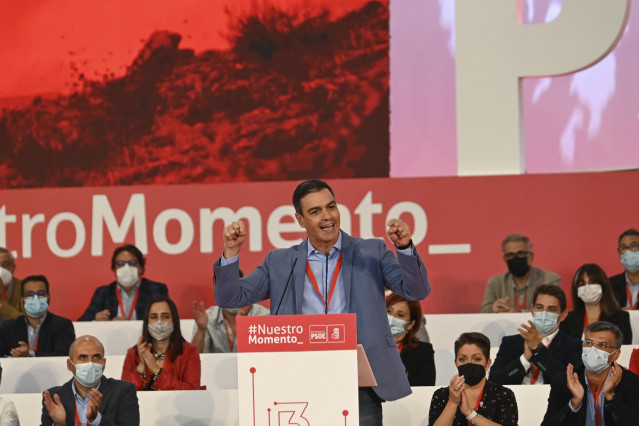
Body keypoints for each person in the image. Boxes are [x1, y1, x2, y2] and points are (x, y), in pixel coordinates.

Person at [214, 179, 431, 425]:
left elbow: (416, 290)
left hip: (358, 382)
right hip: (299, 379)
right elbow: (230, 297)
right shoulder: (280, 262)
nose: (327, 217)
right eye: (315, 211)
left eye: (331, 207)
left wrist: (404, 248)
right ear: (300, 220)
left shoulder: (371, 252)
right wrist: (231, 252)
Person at [541, 321, 639, 425]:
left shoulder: (632, 383)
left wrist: (611, 397)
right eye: (588, 343)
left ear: (615, 355)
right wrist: (574, 403)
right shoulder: (564, 381)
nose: (593, 349)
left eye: (602, 345)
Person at [489, 284, 582, 385]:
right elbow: (494, 381)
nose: (544, 314)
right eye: (539, 307)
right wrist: (524, 360)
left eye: (551, 309)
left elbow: (567, 382)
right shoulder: (510, 343)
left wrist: (537, 349)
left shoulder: (573, 346)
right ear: (533, 310)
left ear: (563, 315)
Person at [41, 335, 140, 425]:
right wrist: (59, 424)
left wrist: (96, 419)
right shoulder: (54, 397)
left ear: (104, 363)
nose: (90, 363)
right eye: (83, 357)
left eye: (96, 357)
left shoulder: (123, 391)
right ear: (69, 365)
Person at [428, 332, 518, 426]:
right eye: (462, 359)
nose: (469, 363)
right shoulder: (442, 395)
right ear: (456, 363)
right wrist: (453, 403)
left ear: (487, 364)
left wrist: (470, 414)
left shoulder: (503, 394)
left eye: (476, 359)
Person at [122, 296, 202, 390]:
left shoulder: (189, 352)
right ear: (147, 322)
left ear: (174, 320)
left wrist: (156, 370)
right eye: (154, 317)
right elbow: (124, 393)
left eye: (165, 316)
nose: (159, 322)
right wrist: (141, 366)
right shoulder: (133, 354)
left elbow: (192, 391)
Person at [78, 244, 168, 321]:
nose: (126, 267)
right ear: (114, 269)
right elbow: (82, 323)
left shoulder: (156, 289)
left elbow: (168, 319)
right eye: (120, 263)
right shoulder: (103, 292)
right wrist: (96, 319)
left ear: (141, 268)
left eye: (132, 263)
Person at [480, 234, 561, 313]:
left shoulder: (550, 280)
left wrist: (518, 314)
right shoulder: (495, 283)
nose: (515, 258)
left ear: (530, 256)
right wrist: (493, 310)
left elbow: (552, 312)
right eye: (510, 255)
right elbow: (482, 315)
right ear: (505, 259)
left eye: (520, 253)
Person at [0, 275, 75, 357]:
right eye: (30, 294)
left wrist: (31, 354)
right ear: (22, 300)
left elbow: (63, 356)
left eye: (41, 293)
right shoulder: (7, 327)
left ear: (48, 298)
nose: (36, 298)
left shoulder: (63, 325)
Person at [560, 264, 632, 344]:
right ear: (577, 290)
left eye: (592, 282)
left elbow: (624, 350)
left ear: (603, 286)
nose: (587, 288)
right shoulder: (567, 320)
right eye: (582, 284)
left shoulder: (621, 318)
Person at [386, 293, 435, 386]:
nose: (392, 318)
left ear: (410, 324)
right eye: (389, 311)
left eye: (400, 315)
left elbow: (425, 390)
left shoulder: (423, 351)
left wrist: (402, 371)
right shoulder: (368, 347)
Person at [191, 300, 269, 353]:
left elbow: (268, 356)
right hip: (217, 373)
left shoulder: (265, 316)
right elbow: (196, 356)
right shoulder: (207, 317)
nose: (230, 296)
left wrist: (244, 325)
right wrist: (201, 330)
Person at [609, 228, 639, 310]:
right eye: (624, 248)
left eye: (634, 246)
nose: (628, 252)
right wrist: (619, 316)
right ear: (619, 253)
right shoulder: (610, 285)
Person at [0, 248, 23, 320]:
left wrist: (1, 304)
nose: (1, 269)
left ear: (13, 268)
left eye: (6, 265)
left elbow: (30, 323)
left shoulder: (24, 289)